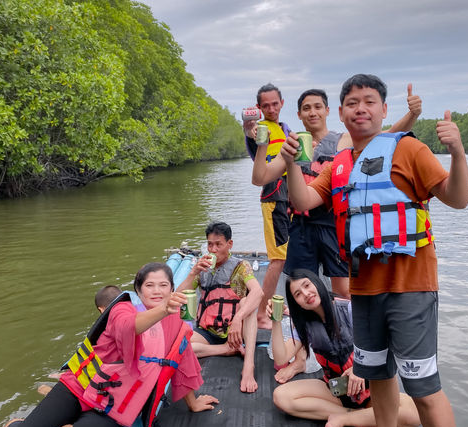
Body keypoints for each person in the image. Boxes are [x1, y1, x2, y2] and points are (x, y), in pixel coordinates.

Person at [281, 74, 468, 427]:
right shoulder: (339, 164)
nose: (360, 109)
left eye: (369, 102)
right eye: (352, 104)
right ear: (341, 113)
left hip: (410, 288)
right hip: (364, 292)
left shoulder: (409, 150)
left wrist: (457, 153)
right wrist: (291, 163)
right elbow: (303, 200)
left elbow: (457, 198)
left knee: (423, 389)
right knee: (379, 378)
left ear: (384, 109)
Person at [0, 263, 218, 427]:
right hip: (79, 388)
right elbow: (129, 327)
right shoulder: (122, 310)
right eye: (149, 285)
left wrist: (193, 403)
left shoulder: (177, 329)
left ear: (172, 289)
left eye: (163, 285)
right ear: (139, 292)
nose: (157, 291)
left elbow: (183, 366)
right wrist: (163, 308)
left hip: (113, 408)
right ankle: (16, 425)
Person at [252, 86, 422, 299]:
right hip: (301, 226)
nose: (312, 112)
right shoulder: (293, 144)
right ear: (299, 115)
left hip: (335, 223)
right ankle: (308, 330)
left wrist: (412, 114)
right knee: (300, 286)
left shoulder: (345, 141)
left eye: (317, 107)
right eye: (306, 108)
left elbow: (388, 136)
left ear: (327, 111)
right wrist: (262, 145)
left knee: (343, 289)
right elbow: (259, 178)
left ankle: (347, 329)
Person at [268, 269, 420, 427]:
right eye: (298, 294)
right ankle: (359, 417)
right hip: (336, 389)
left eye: (307, 285)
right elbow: (281, 358)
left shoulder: (347, 309)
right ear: (296, 302)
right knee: (281, 397)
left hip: (371, 388)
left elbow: (384, 342)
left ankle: (345, 419)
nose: (306, 294)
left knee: (414, 413)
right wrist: (275, 321)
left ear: (317, 284)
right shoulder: (305, 326)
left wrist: (359, 369)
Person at [176, 222, 263, 393]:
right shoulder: (202, 268)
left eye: (218, 244)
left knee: (247, 303)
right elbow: (177, 297)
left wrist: (238, 319)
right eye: (210, 244)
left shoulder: (241, 267)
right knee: (180, 348)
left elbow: (258, 293)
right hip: (208, 332)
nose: (213, 249)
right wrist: (193, 273)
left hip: (235, 331)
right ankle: (226, 350)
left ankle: (248, 366)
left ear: (229, 245)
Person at [243, 83, 291, 328]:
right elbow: (252, 136)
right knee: (278, 260)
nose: (272, 108)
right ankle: (261, 313)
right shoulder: (259, 129)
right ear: (259, 108)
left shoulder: (284, 128)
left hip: (290, 198)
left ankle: (277, 305)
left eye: (275, 103)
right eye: (266, 105)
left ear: (282, 102)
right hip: (273, 199)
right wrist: (249, 128)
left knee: (289, 256)